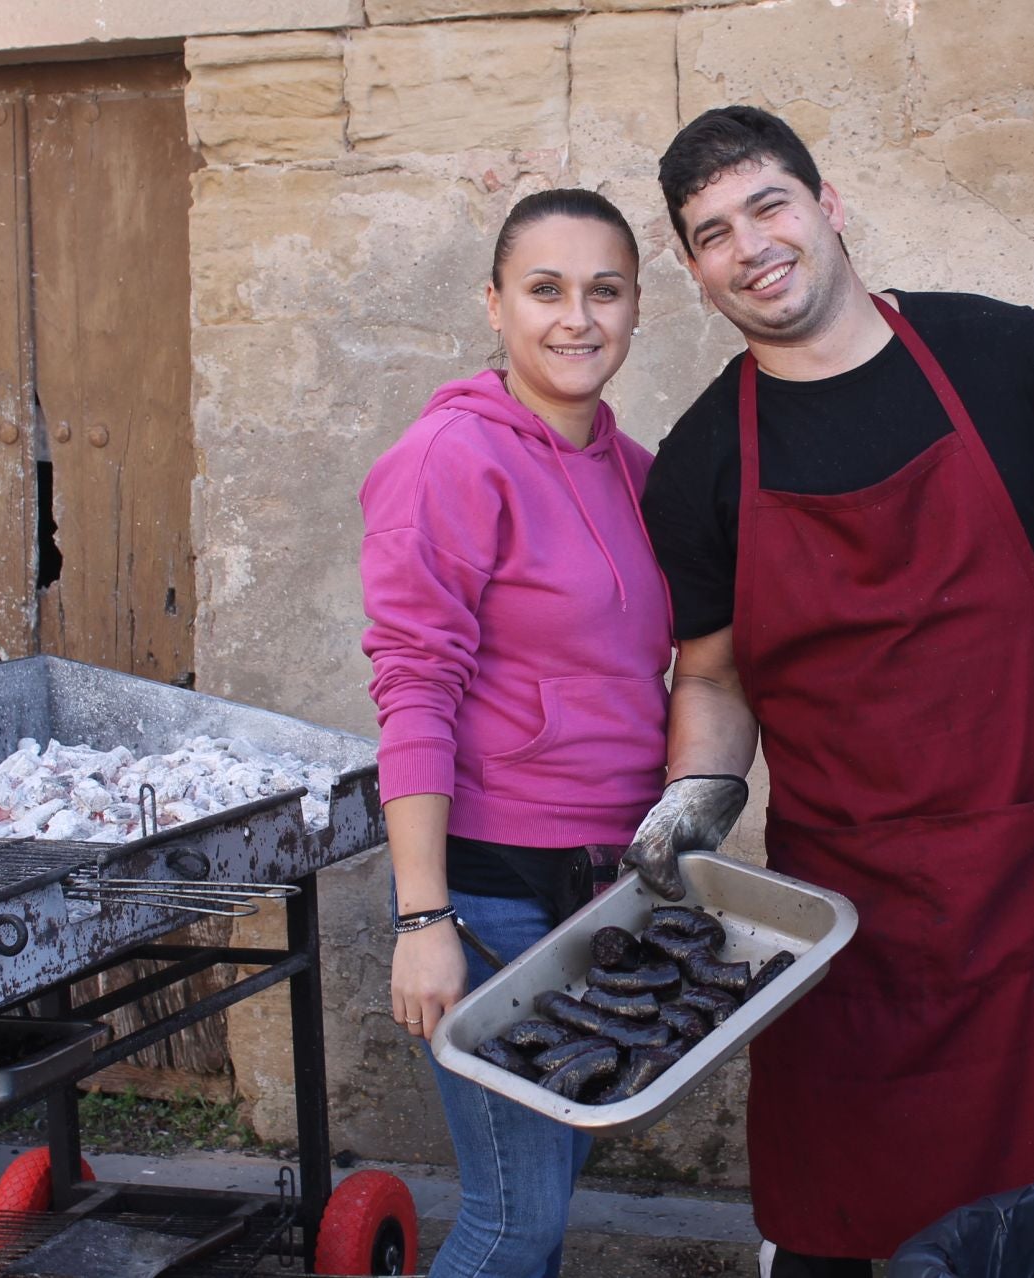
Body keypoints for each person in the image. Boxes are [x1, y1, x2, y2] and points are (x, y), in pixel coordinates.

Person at [623, 107, 1034, 1273]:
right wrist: (695, 795)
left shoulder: (1007, 355)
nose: (751, 245)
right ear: (695, 270)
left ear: (828, 206)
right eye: (713, 233)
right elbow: (712, 676)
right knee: (841, 1219)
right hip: (846, 913)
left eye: (769, 205)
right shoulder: (706, 457)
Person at [359, 188, 671, 1278]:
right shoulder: (451, 458)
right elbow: (414, 688)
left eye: (605, 291)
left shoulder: (639, 478)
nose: (575, 317)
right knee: (512, 1221)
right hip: (490, 893)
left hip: (607, 889)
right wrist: (423, 912)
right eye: (545, 290)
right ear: (495, 305)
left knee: (544, 1198)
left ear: (638, 308)